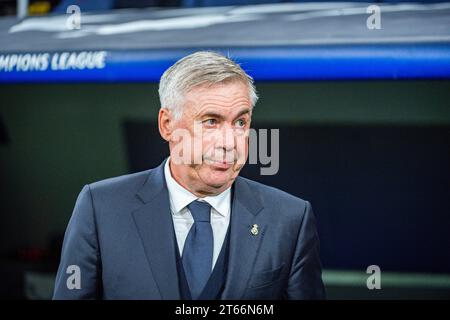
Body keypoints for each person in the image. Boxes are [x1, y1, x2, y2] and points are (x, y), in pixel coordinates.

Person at [53, 51, 326, 299]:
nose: (229, 142)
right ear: (167, 125)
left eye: (241, 122)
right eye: (211, 121)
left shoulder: (290, 218)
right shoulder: (100, 208)